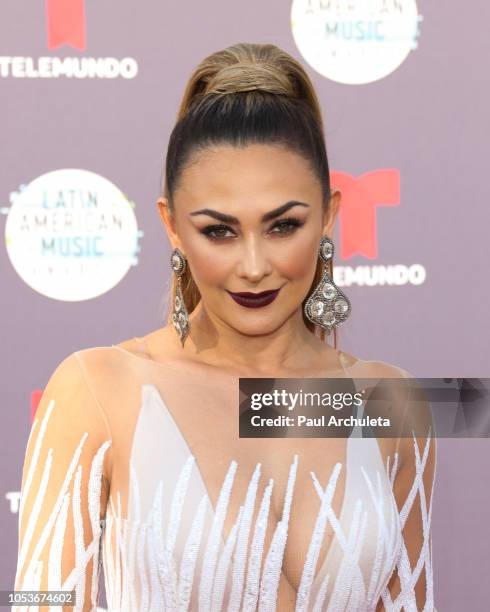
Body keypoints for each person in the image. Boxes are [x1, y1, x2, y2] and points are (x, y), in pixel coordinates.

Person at [12, 43, 437, 611]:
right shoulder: (99, 387)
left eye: (283, 225)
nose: (255, 265)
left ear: (330, 214)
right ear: (171, 226)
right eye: (219, 231)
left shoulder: (391, 403)